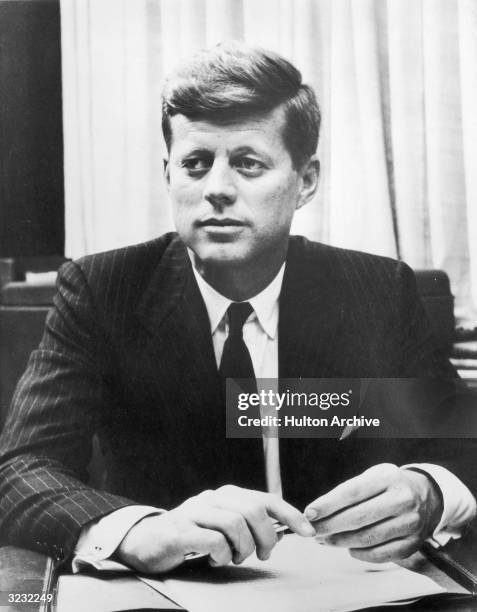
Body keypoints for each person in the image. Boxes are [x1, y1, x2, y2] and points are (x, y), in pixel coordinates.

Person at [0, 42, 475, 575]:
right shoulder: (104, 288)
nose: (217, 190)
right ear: (168, 175)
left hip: (347, 591)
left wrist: (429, 489)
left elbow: (460, 439)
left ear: (307, 181)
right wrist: (138, 528)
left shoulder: (376, 289)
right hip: (168, 596)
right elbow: (22, 469)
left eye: (248, 164)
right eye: (196, 164)